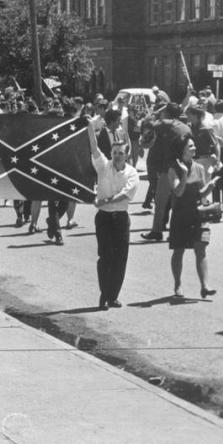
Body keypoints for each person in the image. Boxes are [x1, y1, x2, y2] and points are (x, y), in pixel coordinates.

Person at [87, 118, 139, 309]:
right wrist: (90, 126)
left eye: (121, 153)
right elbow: (93, 146)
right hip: (104, 218)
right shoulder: (103, 166)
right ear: (111, 153)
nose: (117, 156)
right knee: (105, 256)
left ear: (126, 155)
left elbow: (125, 194)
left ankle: (113, 295)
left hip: (120, 219)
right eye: (115, 152)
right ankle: (104, 294)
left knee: (120, 258)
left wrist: (105, 200)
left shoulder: (132, 173)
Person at [168, 138, 218, 299]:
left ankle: (205, 286)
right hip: (181, 214)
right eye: (190, 146)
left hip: (198, 214)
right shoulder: (173, 169)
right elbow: (178, 192)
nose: (194, 148)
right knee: (179, 250)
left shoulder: (199, 167)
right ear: (182, 151)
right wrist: (183, 174)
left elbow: (201, 193)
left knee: (201, 249)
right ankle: (178, 285)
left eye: (194, 145)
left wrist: (209, 187)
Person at [141, 102, 191, 242]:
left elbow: (148, 123)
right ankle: (177, 231)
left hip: (168, 167)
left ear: (167, 113)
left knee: (160, 201)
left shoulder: (166, 123)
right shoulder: (186, 127)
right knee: (177, 200)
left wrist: (156, 113)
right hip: (183, 166)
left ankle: (157, 231)